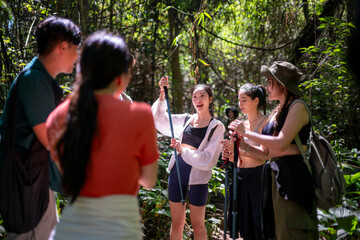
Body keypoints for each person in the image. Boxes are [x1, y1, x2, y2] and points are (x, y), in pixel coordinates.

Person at [46, 31, 159, 239]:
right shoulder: (140, 115)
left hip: (70, 229)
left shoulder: (58, 117)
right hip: (122, 229)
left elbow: (66, 173)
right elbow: (149, 180)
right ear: (121, 75)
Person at [0, 16, 81, 239]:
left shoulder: (38, 79)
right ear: (63, 47)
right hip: (26, 187)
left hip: (34, 184)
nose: (77, 57)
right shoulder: (34, 80)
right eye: (76, 49)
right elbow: (50, 139)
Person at [229, 61, 318, 239]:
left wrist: (246, 133)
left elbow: (280, 142)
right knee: (275, 231)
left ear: (282, 84)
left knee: (290, 230)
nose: (267, 87)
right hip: (273, 175)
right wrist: (241, 146)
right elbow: (266, 153)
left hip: (292, 176)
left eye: (270, 82)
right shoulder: (277, 111)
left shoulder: (298, 107)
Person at [151, 77, 225, 239]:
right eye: (194, 97)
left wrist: (182, 149)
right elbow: (159, 119)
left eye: (202, 96)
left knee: (198, 225)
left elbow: (208, 160)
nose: (198, 100)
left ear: (210, 99)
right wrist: (162, 95)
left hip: (198, 180)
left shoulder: (216, 127)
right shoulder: (186, 120)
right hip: (177, 174)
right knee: (177, 223)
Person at [221, 83, 268, 240]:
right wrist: (229, 153)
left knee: (259, 223)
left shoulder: (266, 122)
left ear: (256, 101)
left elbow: (264, 155)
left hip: (258, 177)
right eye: (239, 101)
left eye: (244, 100)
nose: (240, 105)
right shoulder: (241, 124)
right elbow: (238, 156)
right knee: (243, 224)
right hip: (239, 175)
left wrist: (239, 150)